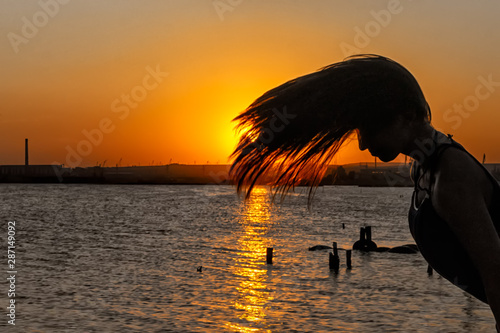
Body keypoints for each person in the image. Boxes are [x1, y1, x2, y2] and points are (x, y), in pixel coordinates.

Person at [229, 54, 500, 329]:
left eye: (370, 128)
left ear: (408, 116)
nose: (361, 144)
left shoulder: (450, 177)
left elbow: (497, 274)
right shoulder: (421, 169)